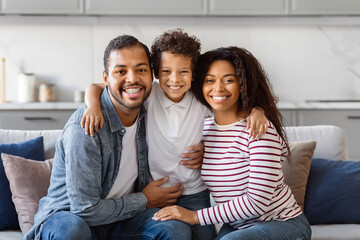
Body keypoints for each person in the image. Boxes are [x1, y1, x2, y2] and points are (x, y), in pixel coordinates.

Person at [81, 30, 268, 240]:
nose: (175, 79)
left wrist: (257, 111)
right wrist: (93, 106)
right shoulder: (149, 94)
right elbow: (96, 86)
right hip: (155, 191)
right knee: (170, 233)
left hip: (194, 193)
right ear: (156, 73)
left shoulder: (202, 100)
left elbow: (230, 112)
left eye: (183, 72)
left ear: (194, 73)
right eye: (167, 71)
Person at [25, 35, 194, 240]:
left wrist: (203, 148)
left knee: (176, 229)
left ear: (152, 75)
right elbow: (84, 210)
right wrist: (143, 200)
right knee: (72, 230)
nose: (132, 79)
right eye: (121, 71)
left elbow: (211, 106)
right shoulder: (86, 127)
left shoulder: (150, 110)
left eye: (141, 70)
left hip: (119, 220)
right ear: (106, 79)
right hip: (70, 217)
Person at [152, 47, 312, 240]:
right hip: (238, 227)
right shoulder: (205, 126)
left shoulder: (259, 127)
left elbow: (257, 202)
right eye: (210, 80)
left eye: (229, 80)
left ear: (243, 84)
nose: (218, 88)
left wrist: (194, 216)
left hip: (282, 223)